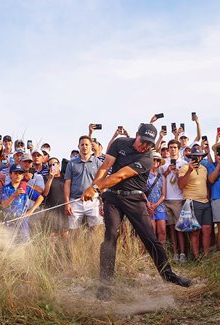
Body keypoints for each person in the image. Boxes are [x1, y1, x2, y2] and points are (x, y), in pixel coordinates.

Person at [82, 123, 191, 300]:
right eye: (143, 141)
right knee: (110, 235)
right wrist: (92, 187)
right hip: (113, 197)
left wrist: (94, 188)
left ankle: (168, 276)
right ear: (136, 135)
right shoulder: (119, 143)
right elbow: (105, 167)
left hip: (135, 199)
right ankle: (105, 284)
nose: (145, 146)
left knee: (150, 238)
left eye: (149, 143)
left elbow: (121, 175)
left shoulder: (148, 157)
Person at [178, 146, 212, 259]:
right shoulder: (184, 168)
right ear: (191, 156)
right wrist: (189, 170)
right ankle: (196, 257)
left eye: (199, 156)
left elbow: (206, 185)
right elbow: (180, 185)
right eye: (195, 156)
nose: (198, 158)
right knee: (195, 232)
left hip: (205, 202)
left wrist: (208, 199)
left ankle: (206, 257)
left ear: (202, 157)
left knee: (207, 230)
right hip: (192, 201)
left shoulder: (204, 169)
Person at [64, 136, 103, 230]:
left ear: (91, 147)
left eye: (87, 144)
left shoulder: (98, 163)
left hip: (93, 201)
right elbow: (67, 184)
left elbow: (102, 183)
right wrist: (67, 203)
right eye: (82, 144)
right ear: (78, 146)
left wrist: (102, 203)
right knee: (74, 231)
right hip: (75, 201)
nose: (84, 147)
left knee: (97, 230)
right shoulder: (71, 163)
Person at [0, 164, 45, 244]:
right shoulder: (5, 189)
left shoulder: (25, 187)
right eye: (15, 173)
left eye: (20, 173)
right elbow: (4, 205)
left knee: (24, 244)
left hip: (23, 221)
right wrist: (14, 195)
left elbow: (40, 198)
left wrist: (30, 211)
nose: (18, 175)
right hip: (10, 221)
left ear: (22, 175)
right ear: (10, 174)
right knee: (9, 244)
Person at [159, 139, 187, 262]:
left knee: (179, 228)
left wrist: (176, 173)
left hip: (178, 199)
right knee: (171, 228)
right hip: (166, 199)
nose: (173, 149)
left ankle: (183, 253)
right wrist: (167, 171)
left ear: (179, 148)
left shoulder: (184, 163)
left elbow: (185, 182)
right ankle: (175, 253)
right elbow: (160, 179)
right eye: (170, 147)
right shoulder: (163, 163)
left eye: (175, 147)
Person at [42, 157, 67, 235]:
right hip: (51, 209)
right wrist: (50, 178)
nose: (52, 167)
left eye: (54, 164)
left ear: (59, 165)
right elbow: (45, 193)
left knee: (65, 234)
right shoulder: (46, 177)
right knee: (52, 235)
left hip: (64, 209)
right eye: (50, 165)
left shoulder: (65, 177)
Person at [146, 152, 167, 245]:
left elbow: (163, 194)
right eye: (153, 159)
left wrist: (156, 205)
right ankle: (150, 254)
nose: (155, 161)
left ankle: (161, 254)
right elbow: (141, 192)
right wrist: (148, 204)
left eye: (157, 160)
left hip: (159, 206)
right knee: (151, 231)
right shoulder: (144, 175)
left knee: (162, 231)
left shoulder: (162, 177)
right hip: (147, 206)